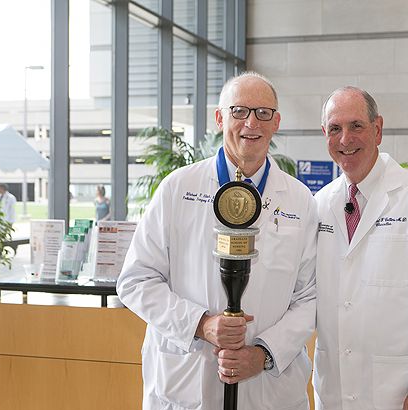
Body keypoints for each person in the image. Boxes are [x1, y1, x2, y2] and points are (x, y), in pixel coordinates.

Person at [117, 72, 318, 410]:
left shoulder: (299, 200)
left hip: (268, 387)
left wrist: (264, 353)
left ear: (276, 122)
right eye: (239, 111)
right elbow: (136, 280)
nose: (251, 123)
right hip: (187, 380)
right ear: (219, 117)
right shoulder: (177, 188)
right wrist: (200, 324)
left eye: (263, 113)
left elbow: (310, 295)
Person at [313, 86, 408, 410]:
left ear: (378, 129)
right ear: (324, 134)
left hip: (403, 394)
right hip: (335, 391)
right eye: (335, 129)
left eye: (356, 126)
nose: (345, 139)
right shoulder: (320, 204)